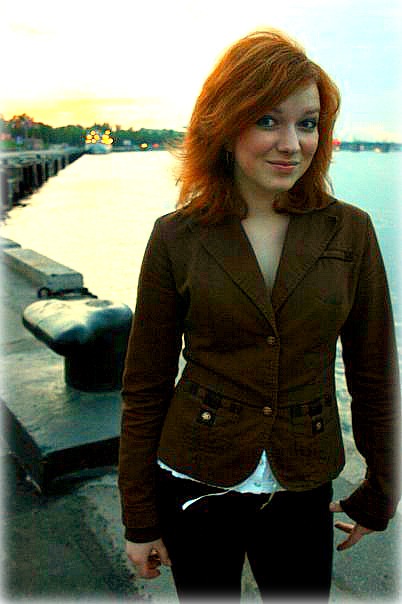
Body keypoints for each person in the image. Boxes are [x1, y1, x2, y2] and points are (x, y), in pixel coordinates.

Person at [118, 29, 400, 601]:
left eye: (308, 123)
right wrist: (139, 518)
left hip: (304, 476)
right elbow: (146, 384)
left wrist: (381, 490)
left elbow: (375, 373)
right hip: (195, 475)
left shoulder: (350, 231)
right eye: (268, 120)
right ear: (225, 126)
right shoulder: (177, 236)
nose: (292, 144)